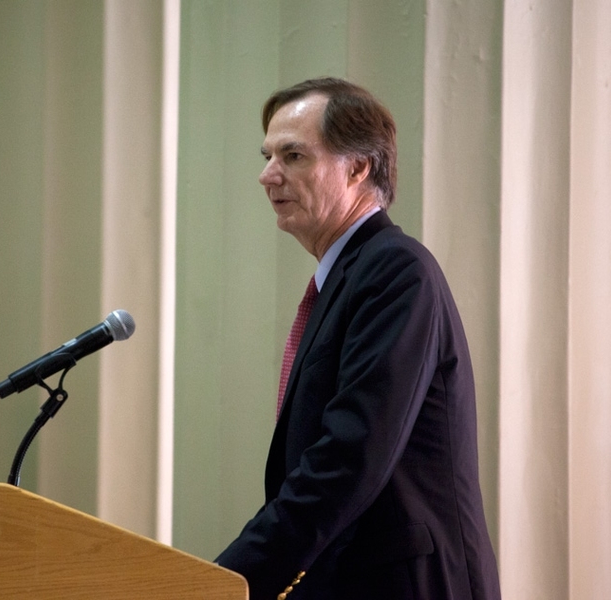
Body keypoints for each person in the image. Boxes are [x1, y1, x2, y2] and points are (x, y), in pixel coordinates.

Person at [215, 78, 501, 600]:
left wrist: (226, 581)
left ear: (358, 168)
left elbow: (348, 459)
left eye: (293, 155)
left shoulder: (395, 271)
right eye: (267, 156)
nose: (267, 175)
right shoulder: (350, 276)